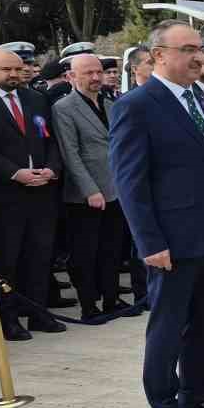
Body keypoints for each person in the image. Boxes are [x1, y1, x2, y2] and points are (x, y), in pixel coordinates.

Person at [109, 20, 204, 408]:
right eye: (187, 49)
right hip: (171, 240)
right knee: (169, 328)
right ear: (158, 56)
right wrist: (150, 242)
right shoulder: (137, 105)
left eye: (201, 48)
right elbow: (131, 182)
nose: (200, 56)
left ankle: (197, 395)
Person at [0, 46, 65, 341]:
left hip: (41, 192)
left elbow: (51, 140)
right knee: (5, 260)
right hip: (6, 193)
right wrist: (14, 172)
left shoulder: (35, 98)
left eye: (18, 69)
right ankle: (8, 320)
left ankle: (37, 313)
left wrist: (51, 168)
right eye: (6, 69)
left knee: (39, 255)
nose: (13, 75)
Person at [52, 53, 127, 319]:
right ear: (71, 76)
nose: (95, 77)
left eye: (98, 72)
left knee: (112, 249)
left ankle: (111, 298)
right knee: (86, 252)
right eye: (87, 73)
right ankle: (88, 305)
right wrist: (90, 190)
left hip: (116, 189)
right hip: (86, 195)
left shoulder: (110, 104)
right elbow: (70, 154)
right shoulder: (64, 108)